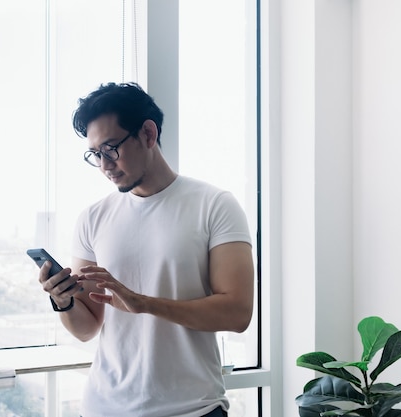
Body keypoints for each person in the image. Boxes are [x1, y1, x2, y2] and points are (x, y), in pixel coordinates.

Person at [38, 82, 254, 417]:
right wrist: (63, 301)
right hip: (103, 408)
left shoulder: (214, 205)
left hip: (192, 409)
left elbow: (237, 314)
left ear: (148, 134)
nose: (104, 165)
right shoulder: (93, 219)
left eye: (111, 149)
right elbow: (86, 329)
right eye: (95, 154)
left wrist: (144, 304)